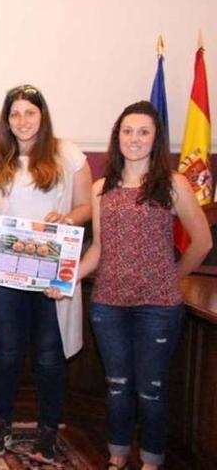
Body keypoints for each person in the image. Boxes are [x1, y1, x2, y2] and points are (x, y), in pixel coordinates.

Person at [71, 101, 210, 470]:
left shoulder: (174, 184)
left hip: (158, 309)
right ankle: (117, 456)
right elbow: (99, 249)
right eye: (128, 131)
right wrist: (68, 278)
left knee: (151, 390)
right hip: (108, 306)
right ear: (117, 137)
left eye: (143, 132)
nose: (135, 139)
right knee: (116, 385)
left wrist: (173, 276)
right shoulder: (102, 189)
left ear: (156, 138)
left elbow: (202, 242)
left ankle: (151, 461)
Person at [0, 85, 93, 463]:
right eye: (15, 114)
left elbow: (87, 206)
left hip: (50, 267)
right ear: (6, 119)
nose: (22, 121)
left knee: (48, 354)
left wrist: (68, 217)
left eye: (29, 112)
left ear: (42, 115)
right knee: (6, 352)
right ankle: (0, 425)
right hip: (8, 268)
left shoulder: (67, 154)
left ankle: (47, 431)